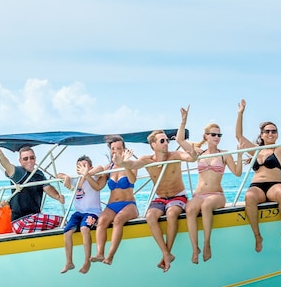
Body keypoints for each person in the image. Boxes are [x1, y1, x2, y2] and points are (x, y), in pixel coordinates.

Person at [119, 115, 194, 272]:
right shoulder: (147, 159)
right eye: (162, 141)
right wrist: (121, 162)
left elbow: (190, 158)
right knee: (150, 216)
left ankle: (167, 254)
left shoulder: (175, 155)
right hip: (160, 198)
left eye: (167, 140)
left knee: (172, 213)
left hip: (177, 196)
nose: (166, 143)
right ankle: (166, 254)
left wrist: (193, 153)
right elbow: (132, 164)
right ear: (153, 145)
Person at [234, 95, 281, 252]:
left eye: (274, 131)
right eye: (267, 131)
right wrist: (240, 113)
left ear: (277, 134)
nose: (271, 134)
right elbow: (238, 136)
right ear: (262, 134)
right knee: (249, 197)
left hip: (274, 185)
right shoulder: (255, 150)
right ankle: (257, 236)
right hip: (257, 186)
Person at [176, 110, 243, 263]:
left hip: (216, 195)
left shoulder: (224, 154)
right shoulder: (199, 152)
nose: (217, 138)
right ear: (206, 136)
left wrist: (239, 155)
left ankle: (207, 244)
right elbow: (180, 140)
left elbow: (238, 173)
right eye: (213, 134)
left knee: (206, 206)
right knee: (190, 209)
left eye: (219, 135)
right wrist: (184, 120)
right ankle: (195, 248)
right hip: (199, 194)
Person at [0, 140, 65, 234]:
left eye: (32, 158)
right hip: (21, 222)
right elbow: (7, 165)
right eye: (25, 159)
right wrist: (0, 155)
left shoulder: (38, 174)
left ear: (35, 158)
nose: (29, 161)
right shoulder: (19, 172)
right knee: (63, 222)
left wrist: (58, 197)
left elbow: (46, 187)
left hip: (34, 217)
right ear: (20, 161)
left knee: (63, 222)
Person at [91, 135, 139, 266]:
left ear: (124, 149)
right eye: (113, 148)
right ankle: (100, 253)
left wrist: (125, 164)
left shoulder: (131, 163)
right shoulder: (109, 167)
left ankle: (110, 256)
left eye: (118, 148)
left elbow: (132, 180)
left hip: (129, 204)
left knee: (118, 220)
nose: (115, 151)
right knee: (101, 221)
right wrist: (87, 175)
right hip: (112, 205)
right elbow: (98, 186)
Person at [58, 155, 105, 274]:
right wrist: (66, 177)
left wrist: (86, 174)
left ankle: (87, 261)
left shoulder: (93, 176)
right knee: (67, 232)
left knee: (84, 228)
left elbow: (100, 168)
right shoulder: (76, 179)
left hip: (92, 212)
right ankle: (69, 262)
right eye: (79, 166)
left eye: (84, 166)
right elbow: (57, 174)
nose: (81, 168)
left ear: (90, 167)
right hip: (78, 213)